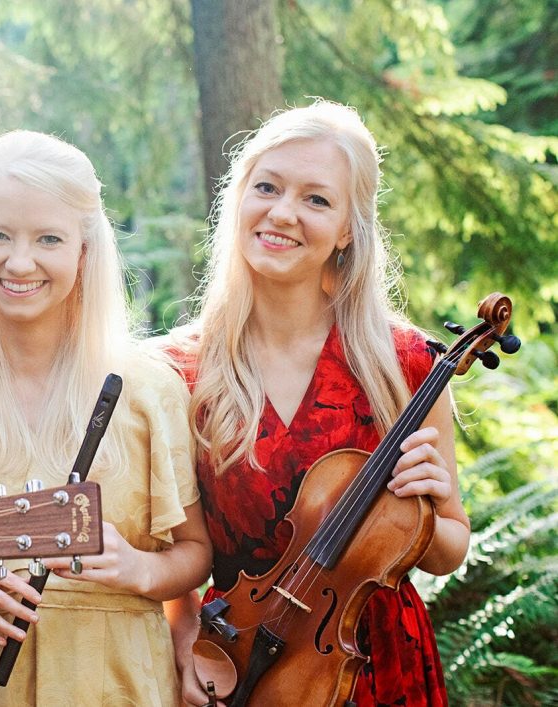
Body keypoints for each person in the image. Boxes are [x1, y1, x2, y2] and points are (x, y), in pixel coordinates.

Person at [164, 100, 468, 706]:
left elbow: (449, 550)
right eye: (267, 187)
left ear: (349, 229)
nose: (283, 213)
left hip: (375, 659)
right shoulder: (181, 371)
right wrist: (183, 640)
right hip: (239, 658)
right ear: (239, 198)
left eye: (316, 199)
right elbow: (175, 547)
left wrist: (431, 510)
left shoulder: (402, 363)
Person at [0, 129, 211, 706]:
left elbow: (195, 552)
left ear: (84, 252)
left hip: (121, 687)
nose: (19, 262)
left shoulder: (147, 390)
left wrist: (139, 569)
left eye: (48, 239)